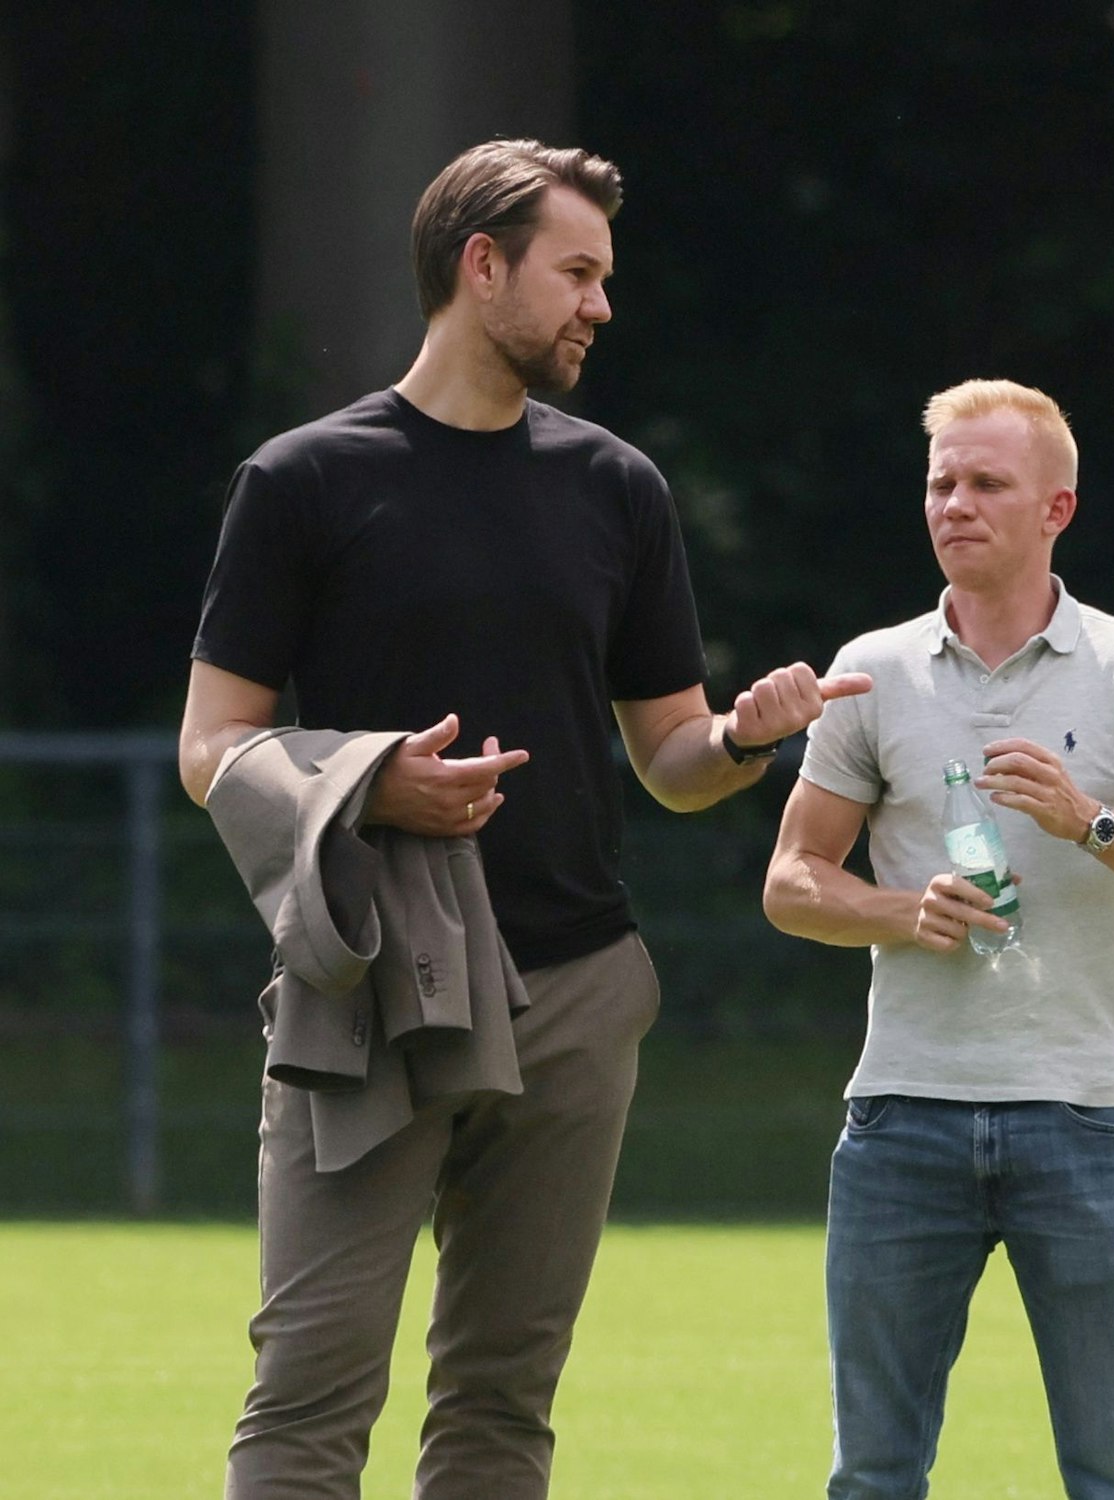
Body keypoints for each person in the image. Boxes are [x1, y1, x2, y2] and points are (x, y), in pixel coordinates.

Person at [178, 138, 868, 1500]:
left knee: (503, 1406)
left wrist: (746, 736)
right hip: (371, 989)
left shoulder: (617, 487)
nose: (600, 306)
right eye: (577, 273)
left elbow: (670, 755)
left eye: (604, 278)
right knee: (310, 1394)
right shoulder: (304, 481)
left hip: (578, 990)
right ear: (479, 266)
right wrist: (375, 783)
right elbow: (212, 746)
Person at [763, 378, 1114, 1500]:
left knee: (1110, 1471)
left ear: (1057, 509)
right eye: (940, 482)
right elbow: (791, 883)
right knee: (872, 1474)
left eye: (987, 483)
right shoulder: (872, 669)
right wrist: (905, 912)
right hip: (900, 1117)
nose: (956, 504)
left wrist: (1087, 821)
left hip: (1082, 1115)